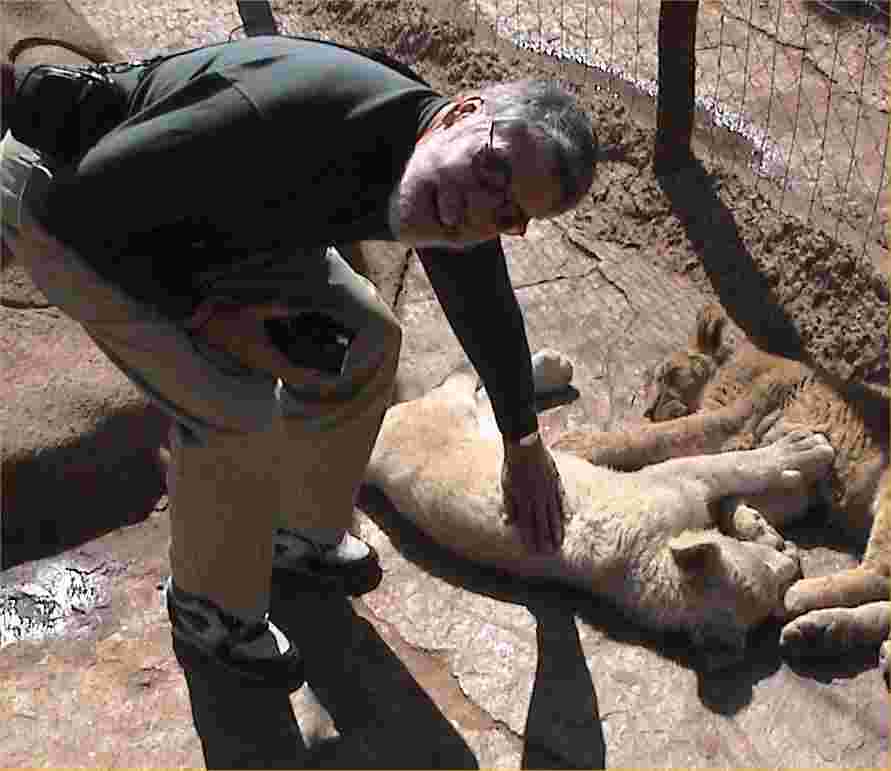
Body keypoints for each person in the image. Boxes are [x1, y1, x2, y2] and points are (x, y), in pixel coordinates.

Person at [1, 35, 597, 690]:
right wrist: (210, 315)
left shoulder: (451, 177)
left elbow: (484, 301)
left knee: (364, 342)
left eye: (510, 214)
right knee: (233, 406)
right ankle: (210, 608)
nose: (479, 210)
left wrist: (521, 438)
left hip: (211, 217)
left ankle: (294, 533)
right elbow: (92, 201)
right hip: (73, 202)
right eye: (493, 172)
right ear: (463, 110)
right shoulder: (278, 116)